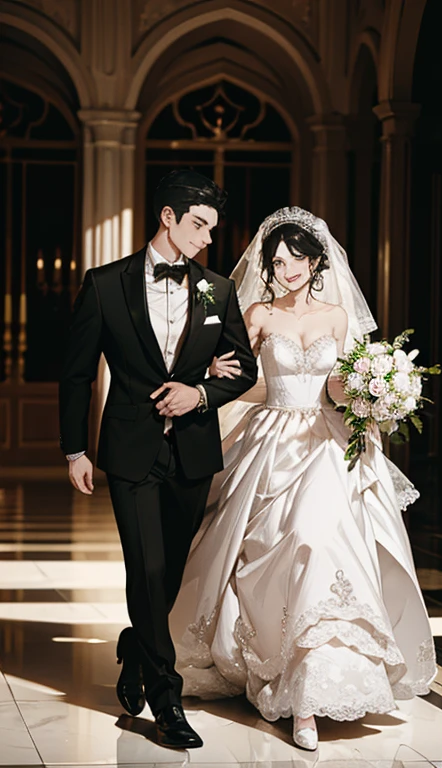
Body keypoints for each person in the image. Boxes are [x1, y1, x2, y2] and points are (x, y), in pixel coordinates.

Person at [170, 207, 437, 751]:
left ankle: (313, 691)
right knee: (268, 548)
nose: (285, 267)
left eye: (295, 259)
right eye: (277, 259)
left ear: (316, 262)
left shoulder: (338, 316)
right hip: (272, 439)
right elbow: (246, 382)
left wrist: (373, 391)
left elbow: (338, 384)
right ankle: (278, 673)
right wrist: (209, 385)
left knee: (321, 542)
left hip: (327, 445)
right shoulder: (258, 315)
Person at [59, 170, 258, 749]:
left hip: (194, 450)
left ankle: (134, 644)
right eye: (199, 225)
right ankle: (166, 700)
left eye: (213, 229)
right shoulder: (104, 284)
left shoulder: (218, 290)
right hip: (129, 450)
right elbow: (75, 374)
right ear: (168, 218)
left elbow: (242, 366)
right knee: (145, 569)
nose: (208, 239)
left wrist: (199, 392)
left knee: (168, 574)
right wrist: (75, 448)